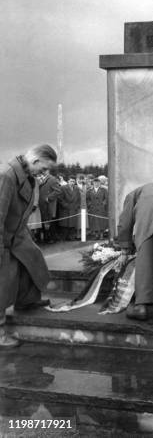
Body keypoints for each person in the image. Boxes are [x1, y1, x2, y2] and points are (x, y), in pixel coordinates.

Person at [0, 144, 56, 348]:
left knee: (33, 259)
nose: (45, 174)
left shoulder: (27, 176)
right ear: (34, 161)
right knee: (3, 281)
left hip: (18, 234)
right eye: (43, 169)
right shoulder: (6, 176)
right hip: (4, 237)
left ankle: (26, 300)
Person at [116, 183, 153, 321]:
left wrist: (124, 250)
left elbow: (125, 222)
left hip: (150, 212)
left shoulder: (133, 195)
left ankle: (142, 305)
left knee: (146, 256)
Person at [38, 170, 61, 243]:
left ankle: (52, 238)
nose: (43, 171)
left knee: (51, 221)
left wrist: (49, 197)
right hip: (42, 205)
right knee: (44, 221)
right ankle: (46, 238)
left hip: (49, 204)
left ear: (48, 171)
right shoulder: (41, 179)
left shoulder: (52, 179)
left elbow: (58, 191)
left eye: (45, 169)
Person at [57, 176, 80, 240]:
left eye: (73, 181)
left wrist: (76, 206)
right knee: (65, 224)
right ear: (68, 181)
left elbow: (79, 198)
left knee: (72, 224)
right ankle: (64, 237)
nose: (72, 183)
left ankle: (71, 237)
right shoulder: (63, 188)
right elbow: (60, 198)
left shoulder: (77, 188)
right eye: (71, 181)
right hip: (65, 209)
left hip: (73, 209)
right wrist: (65, 205)